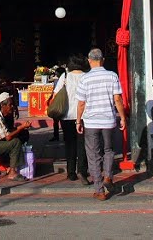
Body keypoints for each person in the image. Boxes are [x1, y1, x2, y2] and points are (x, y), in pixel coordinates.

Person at [76, 47, 126, 200]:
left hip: (91, 121)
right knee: (109, 150)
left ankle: (99, 190)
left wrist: (78, 120)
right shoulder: (112, 76)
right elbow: (117, 99)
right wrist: (122, 117)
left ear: (89, 61)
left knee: (93, 154)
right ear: (102, 60)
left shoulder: (84, 79)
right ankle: (108, 176)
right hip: (108, 119)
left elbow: (81, 104)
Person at [52, 54, 91, 183]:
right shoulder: (87, 76)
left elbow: (56, 94)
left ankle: (71, 172)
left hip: (67, 115)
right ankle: (82, 170)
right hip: (83, 115)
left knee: (69, 144)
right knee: (82, 144)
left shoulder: (65, 76)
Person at [50, 64, 67, 142]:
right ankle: (56, 135)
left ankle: (65, 136)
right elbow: (54, 91)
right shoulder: (56, 81)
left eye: (57, 74)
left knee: (63, 120)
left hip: (63, 102)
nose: (56, 75)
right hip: (57, 102)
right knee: (55, 121)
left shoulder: (66, 80)